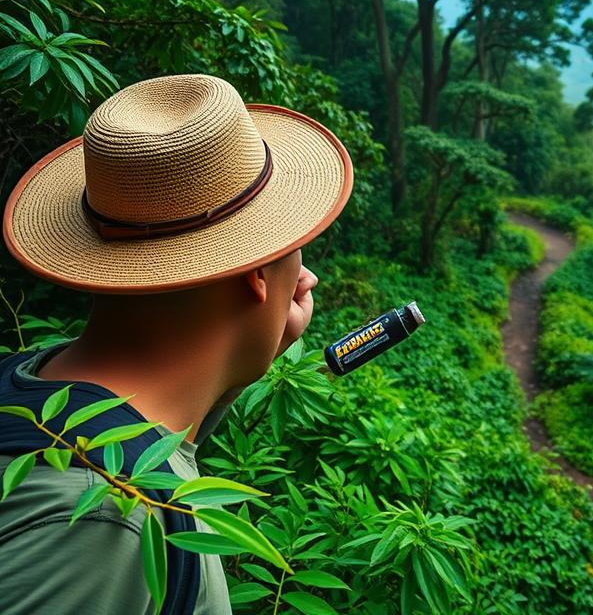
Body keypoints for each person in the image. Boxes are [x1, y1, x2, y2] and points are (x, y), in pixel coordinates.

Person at [0, 73, 353, 614]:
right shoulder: (112, 527)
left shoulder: (24, 380)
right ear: (256, 271)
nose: (306, 276)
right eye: (294, 244)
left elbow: (155, 444)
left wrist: (244, 352)